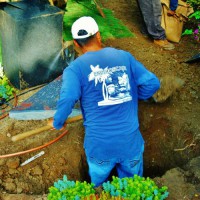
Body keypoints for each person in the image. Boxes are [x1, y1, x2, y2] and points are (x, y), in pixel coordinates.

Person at [49, 16, 160, 187]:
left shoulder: (74, 69)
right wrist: (133, 96)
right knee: (132, 189)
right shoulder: (124, 57)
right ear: (99, 36)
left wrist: (58, 122)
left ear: (76, 44)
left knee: (99, 190)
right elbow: (152, 83)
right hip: (130, 145)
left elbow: (68, 97)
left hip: (99, 148)